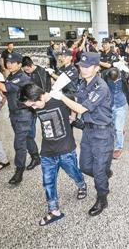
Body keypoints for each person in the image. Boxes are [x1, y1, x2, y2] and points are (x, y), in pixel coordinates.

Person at [50, 52, 114, 216]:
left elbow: (81, 107)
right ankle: (104, 174)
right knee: (85, 166)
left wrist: (62, 97)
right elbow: (77, 100)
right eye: (81, 66)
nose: (83, 69)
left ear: (97, 68)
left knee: (98, 172)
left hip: (102, 132)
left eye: (87, 67)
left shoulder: (100, 86)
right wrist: (73, 115)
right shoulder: (83, 83)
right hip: (87, 130)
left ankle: (102, 198)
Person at [19, 83, 87, 226]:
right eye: (30, 106)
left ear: (40, 96)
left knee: (74, 173)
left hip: (66, 149)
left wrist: (73, 117)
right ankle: (54, 210)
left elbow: (76, 99)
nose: (34, 108)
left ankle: (82, 185)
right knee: (48, 182)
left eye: (34, 104)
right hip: (47, 151)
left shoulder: (60, 99)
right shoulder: (36, 105)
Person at [0, 52, 40, 185]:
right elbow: (7, 92)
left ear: (19, 64)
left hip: (23, 114)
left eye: (12, 63)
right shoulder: (12, 75)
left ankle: (19, 171)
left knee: (19, 143)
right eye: (7, 62)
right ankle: (36, 157)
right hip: (15, 113)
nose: (9, 64)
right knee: (27, 137)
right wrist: (1, 102)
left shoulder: (21, 77)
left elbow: (5, 87)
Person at [106, 68, 128, 159]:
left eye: (116, 78)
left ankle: (118, 147)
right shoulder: (106, 77)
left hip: (120, 105)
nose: (114, 80)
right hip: (110, 105)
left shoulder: (124, 78)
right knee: (112, 126)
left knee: (118, 129)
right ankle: (120, 131)